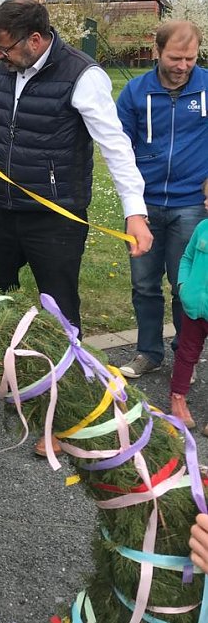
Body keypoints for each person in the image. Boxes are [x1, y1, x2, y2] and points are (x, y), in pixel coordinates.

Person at [0, 0, 152, 457]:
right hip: (7, 209)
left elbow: (115, 145)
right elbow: (7, 116)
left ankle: (68, 420)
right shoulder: (11, 68)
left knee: (61, 315)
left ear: (37, 39)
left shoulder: (83, 76)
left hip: (56, 217)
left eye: (5, 49)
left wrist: (134, 210)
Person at [117, 21, 208, 379]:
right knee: (144, 284)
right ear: (157, 52)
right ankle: (148, 352)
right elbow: (119, 146)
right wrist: (131, 201)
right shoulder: (135, 92)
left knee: (184, 284)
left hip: (190, 205)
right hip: (144, 205)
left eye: (190, 58)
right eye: (175, 57)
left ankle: (185, 352)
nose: (183, 65)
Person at [168, 179, 208, 430]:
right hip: (194, 308)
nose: (205, 203)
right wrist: (183, 285)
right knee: (186, 353)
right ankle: (177, 400)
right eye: (206, 197)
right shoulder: (202, 228)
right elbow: (187, 257)